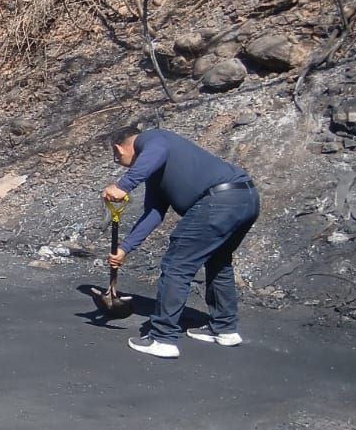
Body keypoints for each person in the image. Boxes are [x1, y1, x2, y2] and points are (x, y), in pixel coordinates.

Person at [102, 127, 260, 359]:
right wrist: (125, 248)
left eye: (118, 159)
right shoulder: (158, 171)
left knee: (177, 266)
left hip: (218, 202)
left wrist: (123, 185)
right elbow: (154, 213)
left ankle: (162, 338)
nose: (121, 164)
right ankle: (225, 328)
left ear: (119, 149)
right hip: (245, 198)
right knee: (218, 262)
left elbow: (158, 148)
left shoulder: (153, 139)